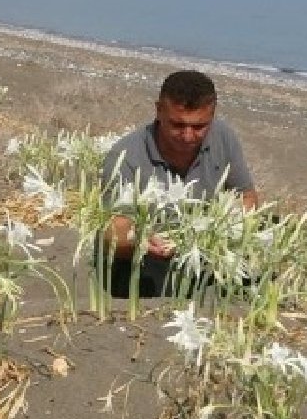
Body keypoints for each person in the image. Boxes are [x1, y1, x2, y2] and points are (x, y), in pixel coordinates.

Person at [99, 70, 260, 298]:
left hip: (204, 248)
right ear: (158, 111)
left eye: (199, 127)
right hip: (147, 256)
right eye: (177, 124)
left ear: (213, 115)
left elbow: (246, 196)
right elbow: (114, 228)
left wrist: (224, 233)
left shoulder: (223, 136)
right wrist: (141, 240)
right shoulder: (124, 156)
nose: (187, 137)